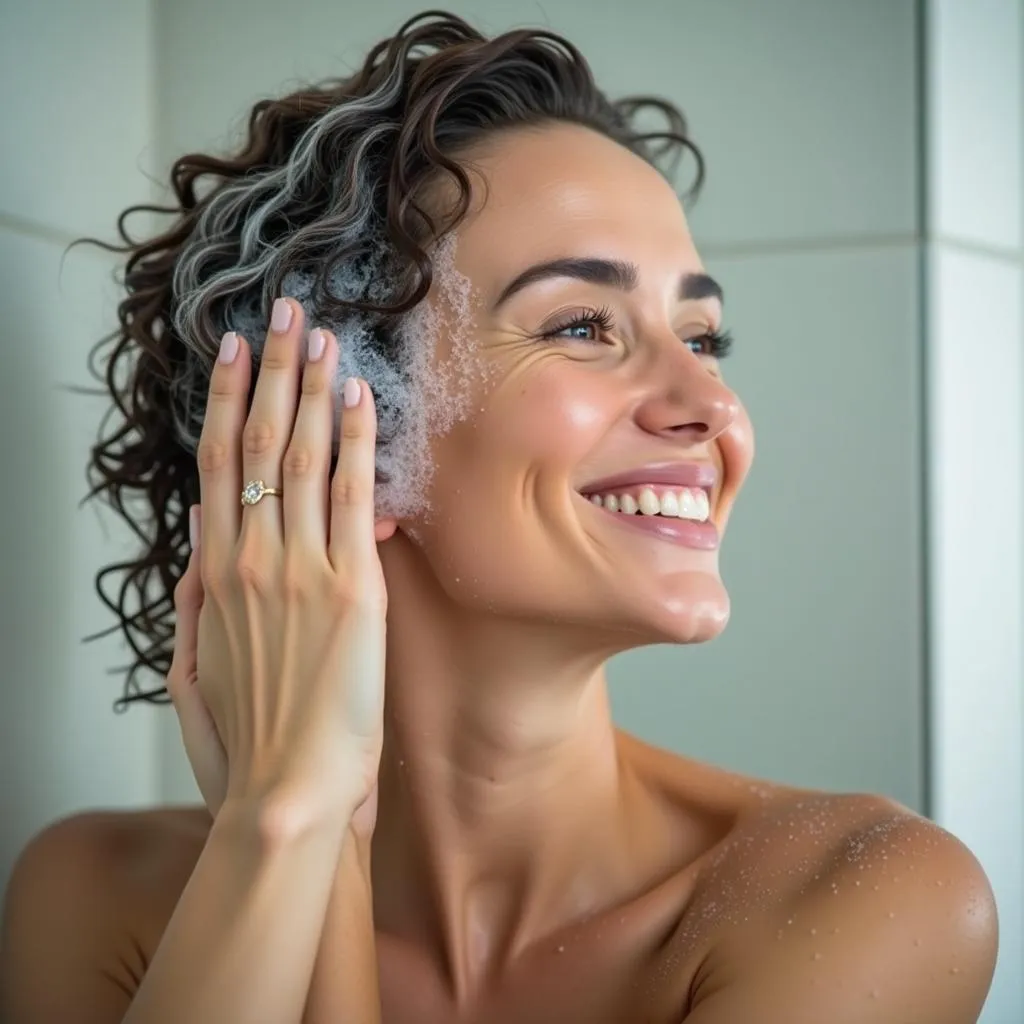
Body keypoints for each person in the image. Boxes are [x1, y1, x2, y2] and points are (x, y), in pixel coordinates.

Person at [0, 10, 997, 1024]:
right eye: (582, 325)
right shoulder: (98, 898)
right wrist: (288, 829)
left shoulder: (858, 897)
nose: (713, 407)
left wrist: (313, 837)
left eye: (703, 337)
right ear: (339, 416)